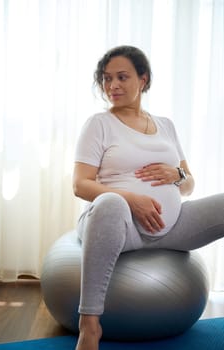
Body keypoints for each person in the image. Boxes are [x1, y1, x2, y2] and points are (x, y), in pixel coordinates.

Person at [72, 45, 224, 350]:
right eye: (106, 79)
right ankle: (89, 327)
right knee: (111, 202)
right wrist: (130, 198)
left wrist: (177, 175)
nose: (112, 85)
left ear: (143, 79)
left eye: (122, 77)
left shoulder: (166, 125)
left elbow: (189, 184)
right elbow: (81, 185)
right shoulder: (99, 124)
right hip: (118, 223)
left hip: (171, 226)